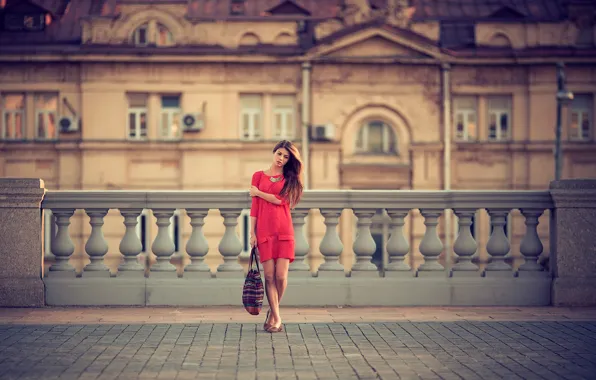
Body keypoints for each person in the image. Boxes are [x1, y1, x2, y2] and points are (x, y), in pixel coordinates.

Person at [249, 140, 304, 333]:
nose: (281, 159)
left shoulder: (290, 180)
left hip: (284, 230)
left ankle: (272, 313)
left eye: (286, 157)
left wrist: (258, 192)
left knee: (281, 276)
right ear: (274, 152)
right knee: (269, 276)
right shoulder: (257, 176)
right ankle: (277, 318)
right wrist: (252, 232)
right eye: (279, 154)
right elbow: (254, 207)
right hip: (264, 230)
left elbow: (278, 200)